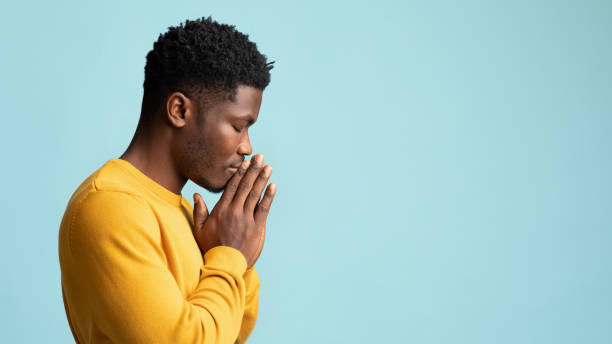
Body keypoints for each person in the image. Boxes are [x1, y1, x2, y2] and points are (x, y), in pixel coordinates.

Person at [58, 16, 277, 344]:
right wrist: (231, 255)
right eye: (237, 126)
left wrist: (239, 255)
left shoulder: (191, 217)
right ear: (179, 111)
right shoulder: (109, 207)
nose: (246, 147)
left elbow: (230, 333)